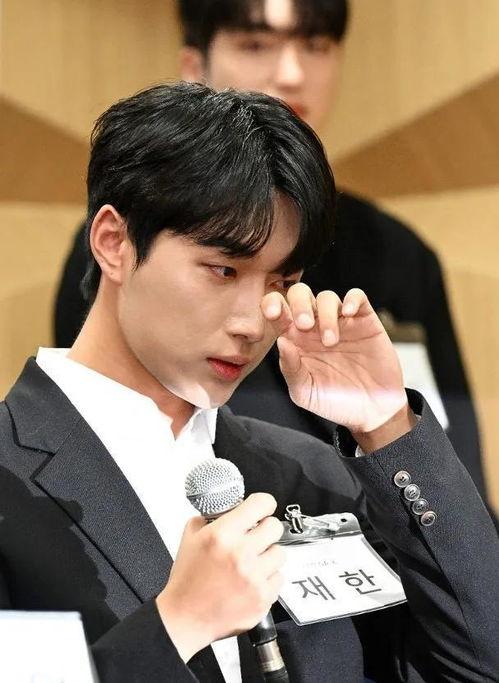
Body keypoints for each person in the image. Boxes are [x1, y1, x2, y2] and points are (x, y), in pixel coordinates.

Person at [2, 82, 498, 683]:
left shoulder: (309, 473)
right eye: (222, 270)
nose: (253, 321)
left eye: (281, 281)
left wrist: (385, 424)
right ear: (114, 243)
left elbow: (480, 662)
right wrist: (177, 624)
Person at [53, 0, 491, 512]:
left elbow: (461, 487)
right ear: (194, 66)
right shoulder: (135, 247)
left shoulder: (396, 252)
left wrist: (388, 431)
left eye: (315, 45)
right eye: (256, 44)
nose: (291, 73)